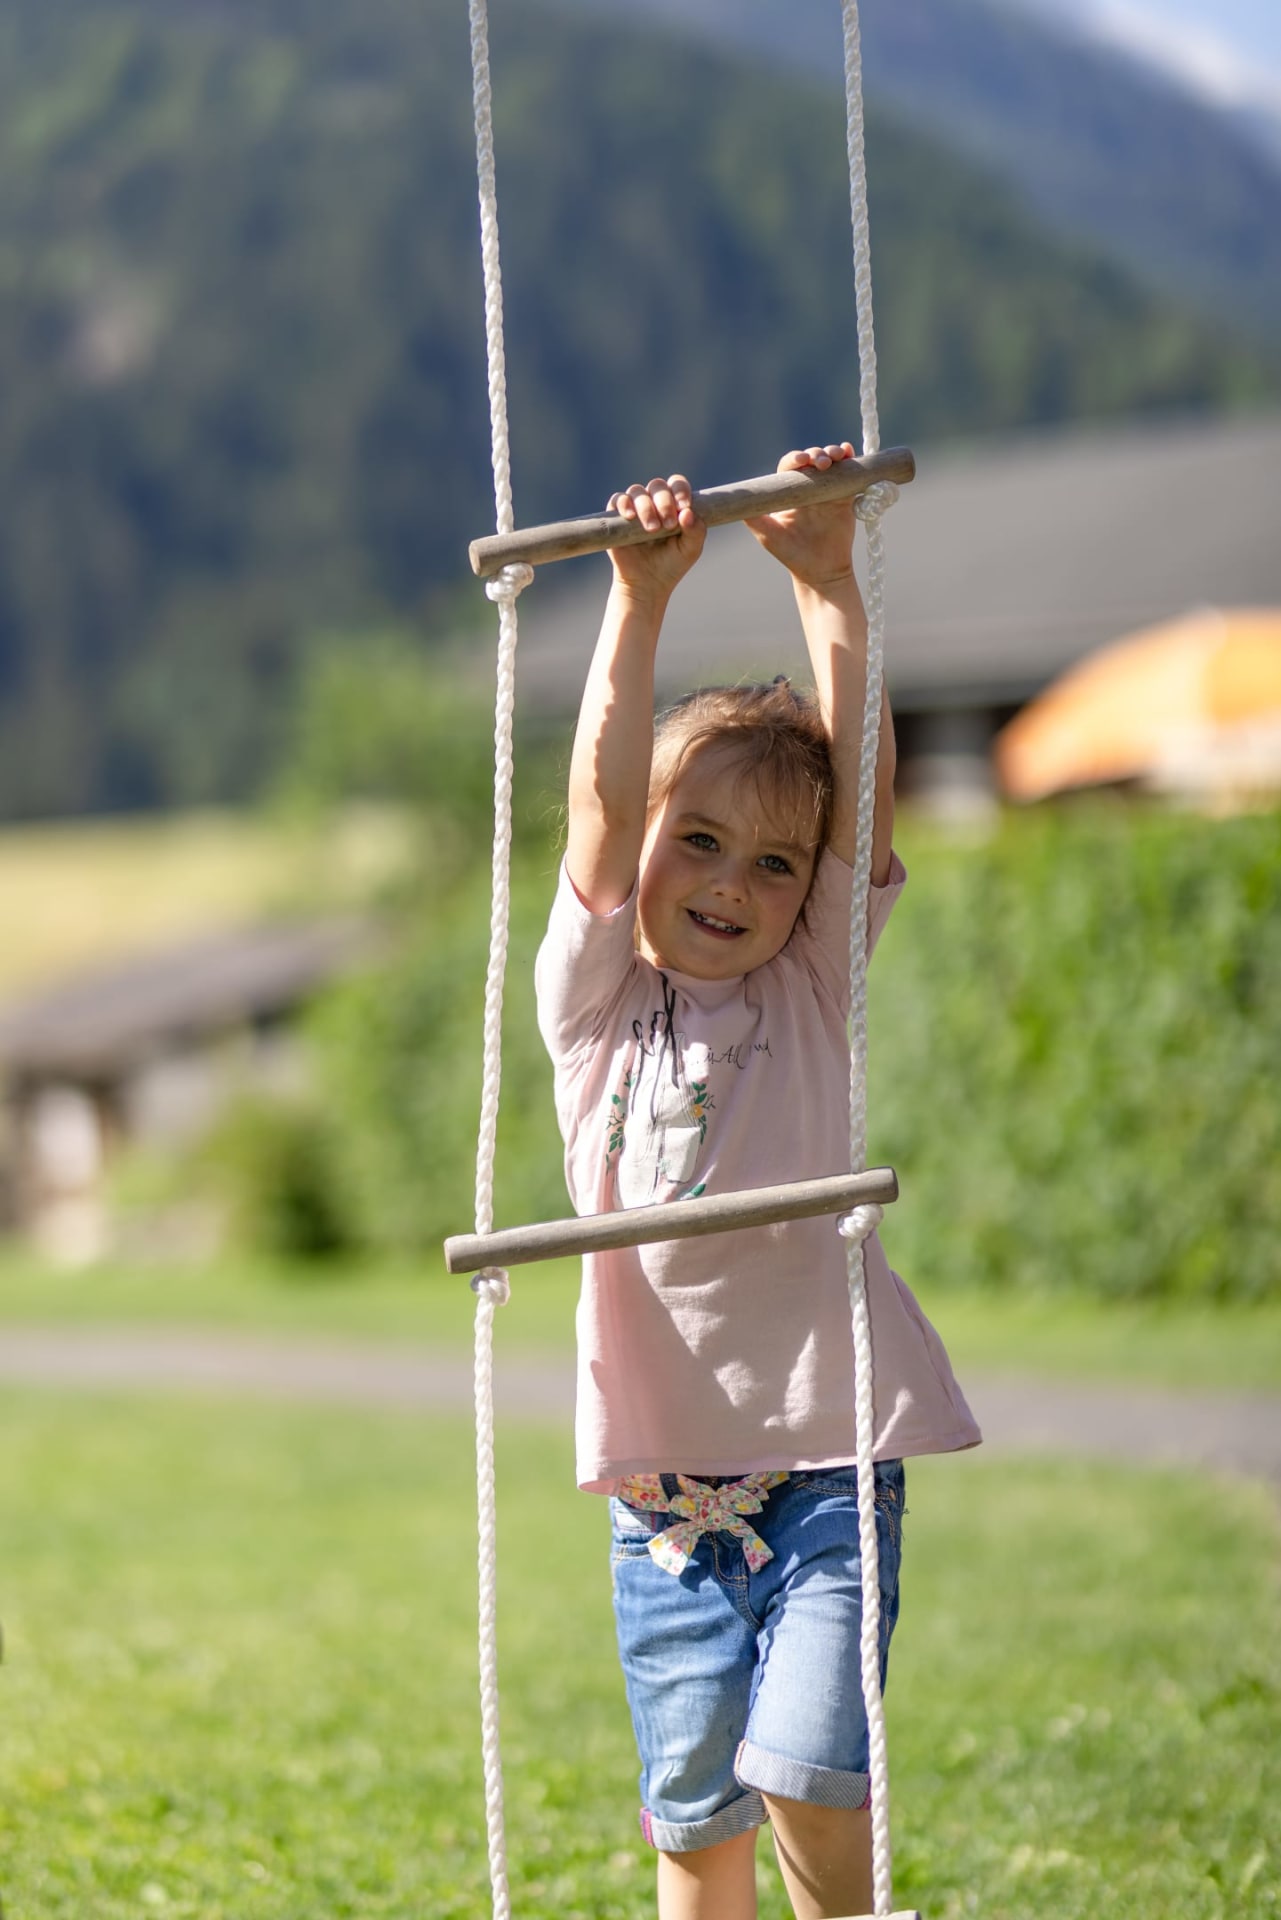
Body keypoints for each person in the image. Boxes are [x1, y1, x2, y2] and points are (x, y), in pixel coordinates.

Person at [535, 442, 980, 1920]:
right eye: (702, 844)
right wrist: (637, 599)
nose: (734, 882)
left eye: (777, 865)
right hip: (663, 1498)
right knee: (696, 1826)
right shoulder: (594, 1005)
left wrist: (828, 581)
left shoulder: (811, 991)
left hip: (828, 1461)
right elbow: (602, 814)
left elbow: (865, 798)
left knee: (806, 1770)